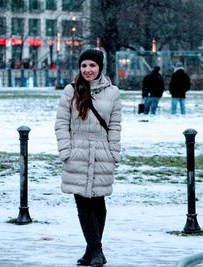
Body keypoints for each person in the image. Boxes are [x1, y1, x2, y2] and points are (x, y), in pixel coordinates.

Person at [54, 48, 122, 267]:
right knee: (83, 203)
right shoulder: (70, 91)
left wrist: (113, 152)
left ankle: (91, 252)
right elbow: (61, 124)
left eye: (92, 65)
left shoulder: (113, 93)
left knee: (98, 202)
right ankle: (96, 251)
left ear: (100, 67)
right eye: (84, 65)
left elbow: (115, 126)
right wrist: (66, 150)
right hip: (77, 153)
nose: (88, 70)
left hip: (102, 153)